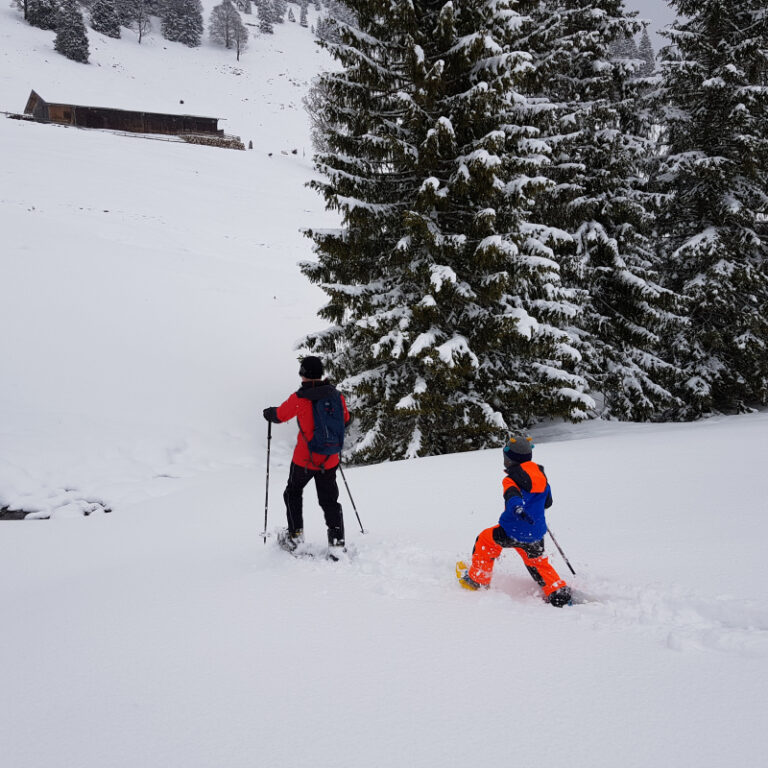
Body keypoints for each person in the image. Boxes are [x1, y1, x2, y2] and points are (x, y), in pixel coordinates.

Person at [458, 433, 572, 607]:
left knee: (485, 540)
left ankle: (477, 580)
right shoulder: (541, 476)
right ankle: (557, 592)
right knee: (536, 561)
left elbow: (512, 496)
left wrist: (518, 508)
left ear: (510, 460)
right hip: (536, 532)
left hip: (512, 530)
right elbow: (548, 502)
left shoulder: (511, 479)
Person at [263, 356, 350, 554]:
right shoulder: (336, 395)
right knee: (329, 500)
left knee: (292, 492)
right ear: (321, 374)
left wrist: (269, 413)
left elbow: (280, 415)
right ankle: (337, 542)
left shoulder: (300, 398)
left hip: (304, 460)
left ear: (303, 373)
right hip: (329, 460)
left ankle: (295, 537)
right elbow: (346, 419)